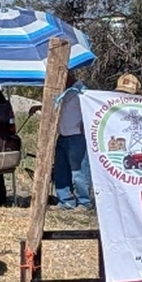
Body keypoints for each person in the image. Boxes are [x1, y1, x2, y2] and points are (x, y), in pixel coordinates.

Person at [52, 74, 92, 210]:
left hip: (76, 136)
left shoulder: (82, 93)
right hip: (63, 135)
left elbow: (89, 111)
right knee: (61, 169)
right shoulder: (64, 93)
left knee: (79, 171)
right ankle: (66, 200)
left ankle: (84, 201)